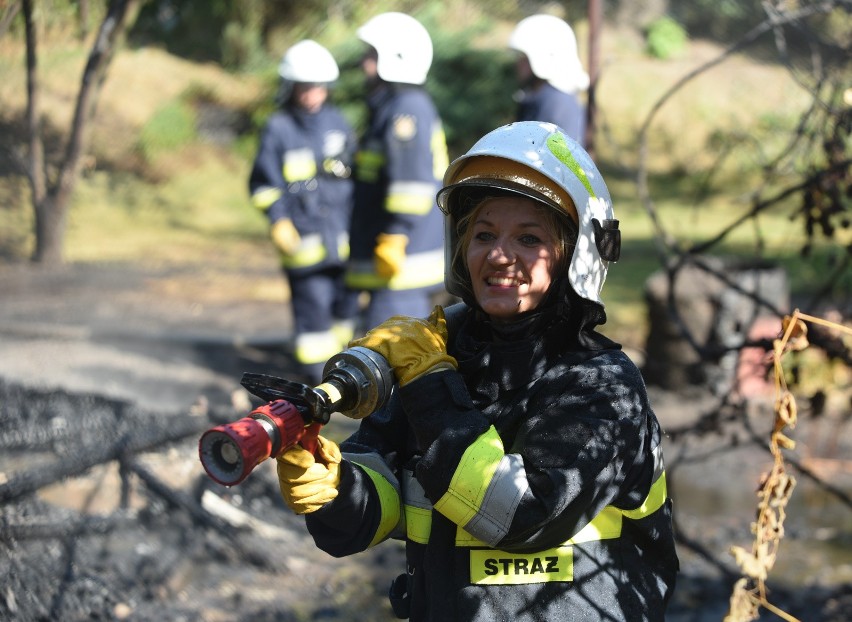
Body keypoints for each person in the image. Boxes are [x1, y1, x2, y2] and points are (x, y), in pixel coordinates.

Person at [275, 121, 679, 621]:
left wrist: (428, 383)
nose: (499, 255)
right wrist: (334, 489)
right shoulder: (441, 360)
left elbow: (521, 517)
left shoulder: (599, 384)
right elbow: (380, 500)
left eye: (529, 239)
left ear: (577, 256)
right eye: (483, 234)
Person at [248, 40, 359, 383]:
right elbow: (263, 185)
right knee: (314, 321)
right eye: (304, 87)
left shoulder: (339, 124)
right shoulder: (278, 129)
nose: (312, 94)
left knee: (346, 315)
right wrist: (278, 220)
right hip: (303, 245)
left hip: (344, 244)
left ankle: (346, 377)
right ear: (291, 87)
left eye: (318, 87)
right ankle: (317, 384)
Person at [345, 12, 449, 331]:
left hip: (402, 264)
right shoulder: (393, 106)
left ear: (396, 58)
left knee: (394, 361)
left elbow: (411, 185)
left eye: (372, 56)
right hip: (395, 264)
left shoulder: (407, 109)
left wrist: (396, 235)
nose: (365, 64)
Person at [508, 14, 590, 145]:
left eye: (523, 56)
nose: (518, 63)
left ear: (543, 58)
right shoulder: (538, 96)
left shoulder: (556, 104)